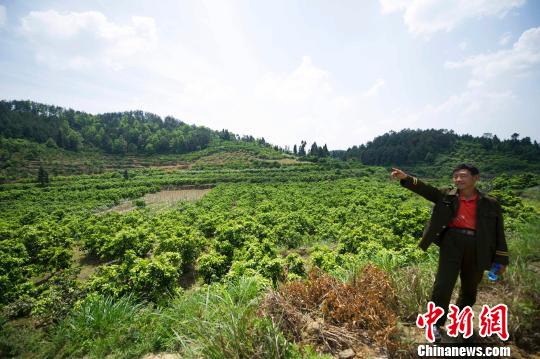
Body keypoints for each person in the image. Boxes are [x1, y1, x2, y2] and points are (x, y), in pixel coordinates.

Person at [390, 164, 509, 342]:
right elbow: (426, 189)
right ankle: (436, 324)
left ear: (476, 178)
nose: (458, 179)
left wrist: (500, 261)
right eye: (456, 176)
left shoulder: (490, 203)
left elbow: (499, 232)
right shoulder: (447, 195)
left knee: (470, 287)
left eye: (463, 176)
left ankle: (460, 321)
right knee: (443, 284)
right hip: (452, 242)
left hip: (478, 246)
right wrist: (406, 178)